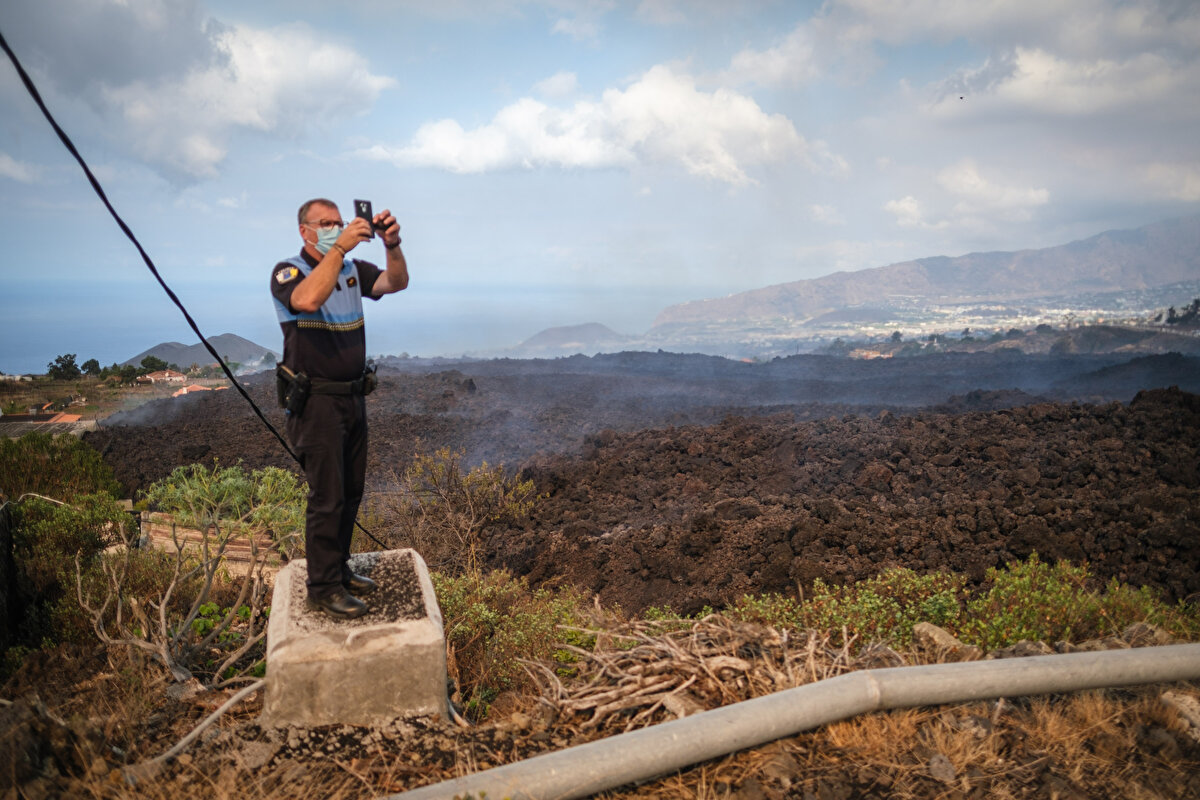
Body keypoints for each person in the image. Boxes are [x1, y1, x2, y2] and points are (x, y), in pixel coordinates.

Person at [270, 198, 408, 619]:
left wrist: (393, 243)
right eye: (324, 224)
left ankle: (339, 568)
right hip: (316, 403)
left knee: (350, 492)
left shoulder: (351, 271)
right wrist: (340, 248)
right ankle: (323, 587)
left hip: (352, 397)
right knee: (327, 496)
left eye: (338, 222)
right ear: (304, 231)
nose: (334, 228)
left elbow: (395, 282)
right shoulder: (289, 271)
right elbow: (308, 300)